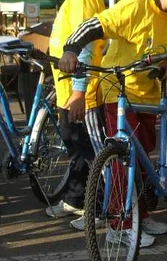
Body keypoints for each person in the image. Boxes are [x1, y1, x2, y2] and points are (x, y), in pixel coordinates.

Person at [58, 0, 167, 247]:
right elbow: (92, 26)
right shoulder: (134, 7)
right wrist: (71, 51)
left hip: (148, 94)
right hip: (118, 94)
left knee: (141, 157)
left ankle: (141, 215)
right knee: (122, 160)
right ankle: (120, 225)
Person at [45, 0, 107, 231]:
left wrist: (80, 92)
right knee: (76, 150)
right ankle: (75, 199)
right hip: (67, 93)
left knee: (95, 154)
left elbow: (87, 47)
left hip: (83, 95)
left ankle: (101, 207)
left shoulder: (83, 2)